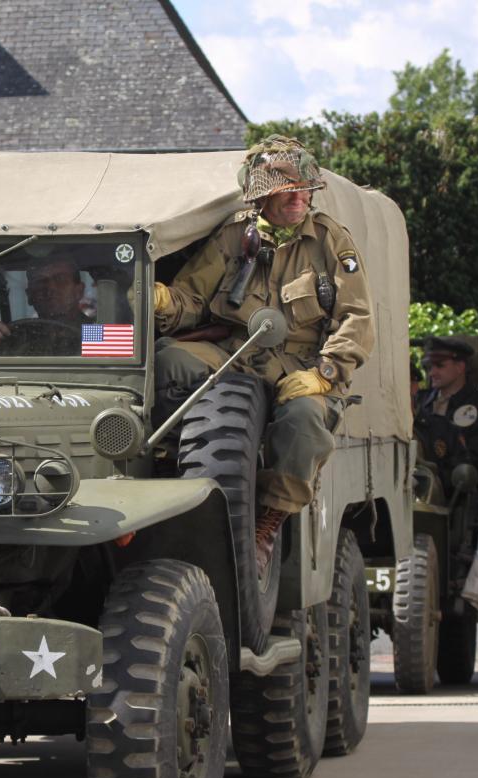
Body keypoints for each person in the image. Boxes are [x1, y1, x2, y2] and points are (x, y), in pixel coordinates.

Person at [152, 135, 373, 574]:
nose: (297, 197)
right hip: (236, 354)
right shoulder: (236, 236)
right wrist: (162, 301)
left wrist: (327, 373)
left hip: (302, 365)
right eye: (285, 188)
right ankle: (181, 459)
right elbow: (193, 298)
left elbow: (357, 318)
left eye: (303, 188)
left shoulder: (330, 240)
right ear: (262, 195)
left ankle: (268, 521)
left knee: (304, 421)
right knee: (168, 361)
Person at [413, 336, 478, 494]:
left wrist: (437, 480)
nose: (432, 372)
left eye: (439, 366)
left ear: (460, 367)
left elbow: (474, 459)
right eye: (429, 367)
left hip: (457, 494)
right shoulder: (421, 400)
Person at [0, 258, 91, 353]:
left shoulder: (95, 334)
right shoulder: (12, 337)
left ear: (78, 291)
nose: (50, 288)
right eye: (40, 281)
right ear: (29, 295)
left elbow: (105, 374)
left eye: (60, 279)